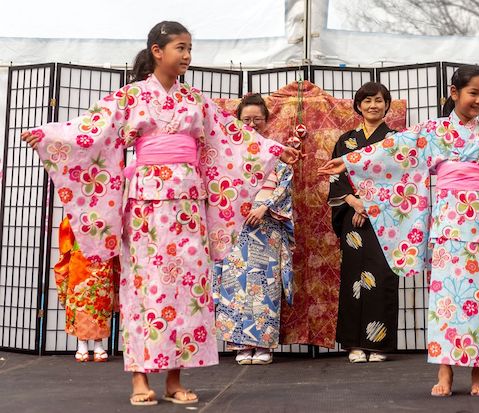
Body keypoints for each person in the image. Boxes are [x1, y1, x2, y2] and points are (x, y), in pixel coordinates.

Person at [21, 21, 301, 406]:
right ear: (157, 51)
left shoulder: (196, 101)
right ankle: (140, 377)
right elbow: (89, 132)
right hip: (146, 208)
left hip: (189, 206)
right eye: (180, 48)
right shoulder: (130, 97)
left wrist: (272, 150)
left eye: (189, 49)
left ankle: (174, 380)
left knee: (186, 289)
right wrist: (50, 135)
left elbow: (232, 139)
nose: (187, 56)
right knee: (144, 288)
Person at [318, 65, 479, 397]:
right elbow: (394, 152)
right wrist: (350, 162)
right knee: (446, 298)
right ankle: (445, 370)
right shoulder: (434, 132)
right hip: (448, 222)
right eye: (472, 93)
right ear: (454, 93)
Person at [213, 93, 296, 366]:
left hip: (267, 224)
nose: (252, 124)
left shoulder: (276, 151)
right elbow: (221, 187)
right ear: (238, 120)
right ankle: (240, 344)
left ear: (266, 120)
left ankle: (263, 344)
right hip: (238, 226)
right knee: (236, 286)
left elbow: (284, 184)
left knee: (264, 285)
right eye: (246, 119)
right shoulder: (230, 151)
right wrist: (241, 209)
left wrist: (264, 206)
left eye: (257, 119)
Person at [328, 82, 399, 363]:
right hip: (352, 217)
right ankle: (354, 343)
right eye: (367, 101)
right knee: (353, 277)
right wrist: (355, 202)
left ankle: (377, 344)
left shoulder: (395, 140)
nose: (373, 105)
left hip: (384, 219)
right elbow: (337, 176)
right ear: (358, 105)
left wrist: (370, 204)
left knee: (381, 277)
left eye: (379, 100)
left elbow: (399, 178)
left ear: (386, 104)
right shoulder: (346, 141)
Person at [54, 217, 119, 363]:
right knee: (80, 300)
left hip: (103, 257)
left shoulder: (106, 211)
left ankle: (98, 344)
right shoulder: (76, 212)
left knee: (100, 302)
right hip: (79, 259)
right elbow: (66, 231)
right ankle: (81, 343)